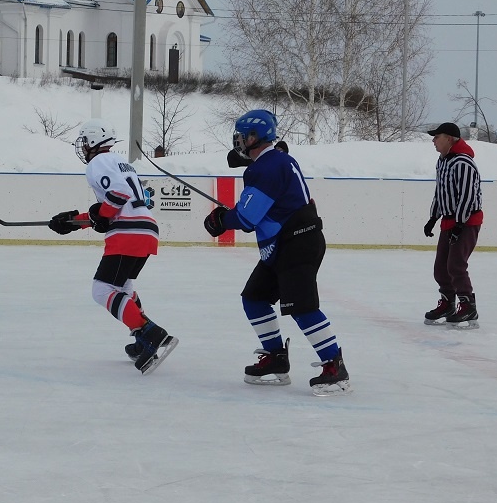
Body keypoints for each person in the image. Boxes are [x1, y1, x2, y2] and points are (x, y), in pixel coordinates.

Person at [203, 109, 349, 396]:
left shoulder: (266, 168)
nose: (239, 141)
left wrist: (221, 220)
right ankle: (276, 358)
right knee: (254, 298)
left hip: (297, 243)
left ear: (255, 137)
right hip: (283, 244)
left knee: (302, 307)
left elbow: (247, 219)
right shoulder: (274, 162)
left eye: (243, 136)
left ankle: (335, 365)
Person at [48, 119, 178, 375]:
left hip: (128, 232)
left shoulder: (98, 163)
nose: (83, 147)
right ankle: (143, 339)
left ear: (96, 141)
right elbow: (113, 207)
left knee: (102, 289)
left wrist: (100, 214)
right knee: (123, 287)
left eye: (85, 141)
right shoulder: (122, 163)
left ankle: (149, 333)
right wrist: (75, 222)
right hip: (146, 229)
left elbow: (117, 195)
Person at [422, 122, 483, 329]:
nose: (433, 140)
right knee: (441, 267)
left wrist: (459, 224)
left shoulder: (463, 163)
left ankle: (468, 306)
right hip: (449, 220)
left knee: (456, 264)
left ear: (449, 138)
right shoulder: (443, 161)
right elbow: (441, 192)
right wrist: (433, 217)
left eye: (436, 137)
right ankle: (448, 303)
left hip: (466, 221)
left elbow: (467, 195)